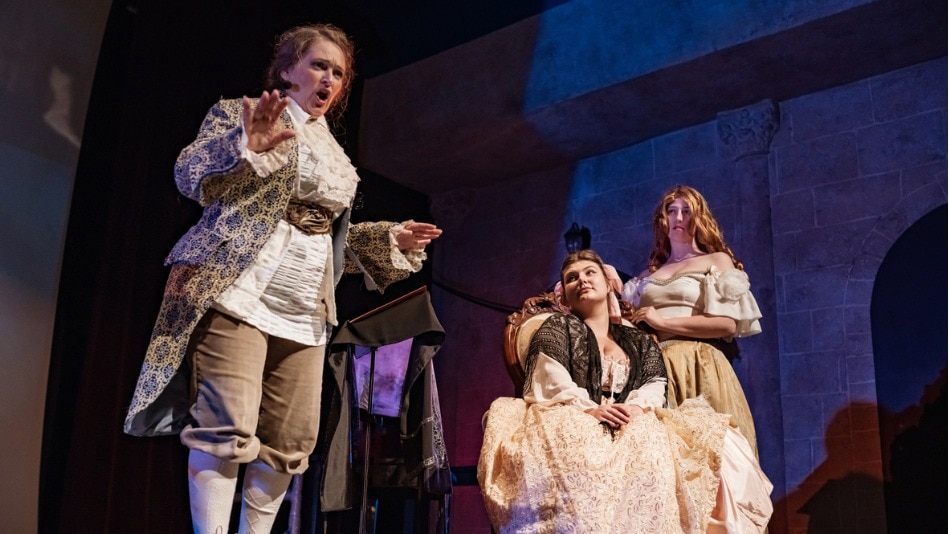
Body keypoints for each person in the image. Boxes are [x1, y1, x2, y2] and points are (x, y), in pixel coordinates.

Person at [122, 23, 442, 534]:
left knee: (292, 440)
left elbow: (331, 238)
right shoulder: (241, 114)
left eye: (338, 73)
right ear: (287, 69)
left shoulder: (334, 155)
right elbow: (189, 174)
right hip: (237, 289)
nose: (329, 79)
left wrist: (389, 241)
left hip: (306, 309)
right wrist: (245, 144)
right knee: (226, 426)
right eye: (318, 65)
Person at [478, 250, 772, 533]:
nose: (582, 280)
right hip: (575, 413)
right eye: (571, 277)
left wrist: (636, 407)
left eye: (590, 272)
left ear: (608, 284)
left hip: (633, 415)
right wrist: (589, 409)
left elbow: (655, 382)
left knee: (720, 442)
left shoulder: (636, 339)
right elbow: (550, 377)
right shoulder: (557, 328)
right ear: (564, 295)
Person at [622, 184, 762, 455]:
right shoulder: (646, 276)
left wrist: (662, 323)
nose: (678, 218)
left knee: (711, 454)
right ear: (663, 220)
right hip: (656, 367)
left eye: (687, 211)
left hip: (700, 363)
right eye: (671, 211)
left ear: (699, 218)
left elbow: (726, 325)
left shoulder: (715, 260)